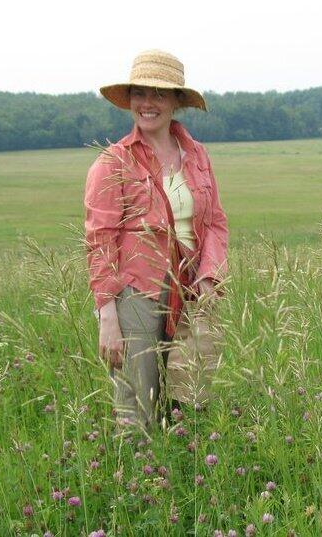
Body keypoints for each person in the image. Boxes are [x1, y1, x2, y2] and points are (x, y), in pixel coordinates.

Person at [84, 50, 228, 429]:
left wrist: (210, 276)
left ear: (177, 102)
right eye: (139, 94)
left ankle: (181, 474)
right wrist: (108, 316)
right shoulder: (112, 162)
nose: (147, 104)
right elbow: (100, 240)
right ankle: (135, 480)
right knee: (137, 401)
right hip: (137, 293)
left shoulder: (196, 155)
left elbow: (215, 222)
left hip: (192, 290)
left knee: (190, 397)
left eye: (159, 94)